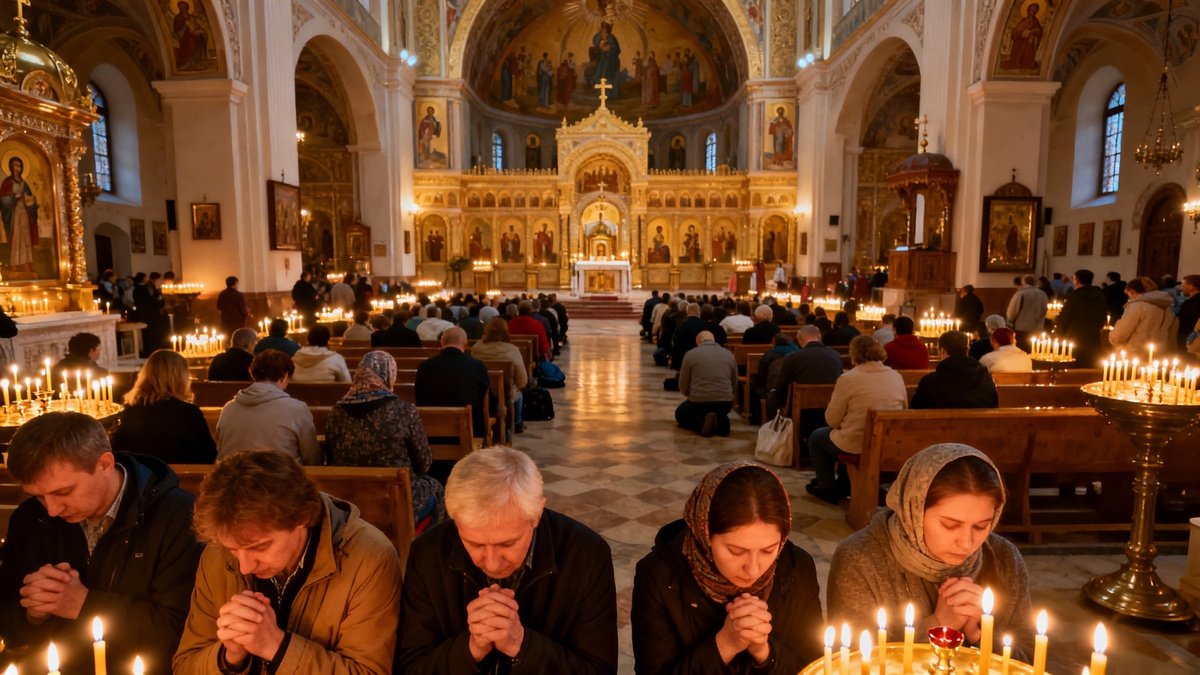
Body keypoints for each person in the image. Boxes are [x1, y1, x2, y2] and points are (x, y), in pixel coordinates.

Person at [0, 412, 203, 673]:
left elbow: (181, 631)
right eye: (39, 496)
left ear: (105, 464)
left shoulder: (178, 516)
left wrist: (83, 604)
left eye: (64, 492)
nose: (51, 509)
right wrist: (31, 614)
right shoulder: (30, 519)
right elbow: (6, 617)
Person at [173, 450, 402, 675]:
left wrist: (276, 646)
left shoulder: (370, 559)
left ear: (301, 517)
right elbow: (184, 666)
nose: (245, 567)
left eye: (260, 547)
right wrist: (229, 657)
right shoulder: (217, 554)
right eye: (233, 549)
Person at [396, 445, 618, 674]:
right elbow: (410, 667)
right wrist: (470, 650)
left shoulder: (586, 554)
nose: (491, 564)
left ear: (537, 514)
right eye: (474, 544)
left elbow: (599, 669)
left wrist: (521, 645)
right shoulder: (427, 554)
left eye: (508, 543)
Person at [827, 444, 1033, 653]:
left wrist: (982, 637)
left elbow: (1030, 656)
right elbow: (851, 662)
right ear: (914, 511)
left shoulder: (1004, 558)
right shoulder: (860, 559)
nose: (966, 543)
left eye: (981, 526)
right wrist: (938, 625)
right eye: (950, 525)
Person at [632, 463, 823, 672]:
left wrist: (764, 652)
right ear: (705, 533)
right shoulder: (659, 577)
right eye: (736, 551)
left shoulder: (797, 569)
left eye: (768, 551)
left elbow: (816, 666)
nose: (752, 569)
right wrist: (724, 645)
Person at [325, 351, 445, 528]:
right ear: (389, 375)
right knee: (436, 488)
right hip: (396, 499)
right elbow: (424, 463)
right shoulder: (403, 410)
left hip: (349, 500)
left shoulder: (336, 412)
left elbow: (330, 457)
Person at [806, 336, 908, 504]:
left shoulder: (848, 378)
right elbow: (904, 408)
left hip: (857, 443)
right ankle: (844, 485)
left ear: (854, 353)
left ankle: (828, 487)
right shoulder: (895, 376)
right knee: (842, 435)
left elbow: (832, 420)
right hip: (887, 442)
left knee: (817, 438)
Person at [215, 350, 321, 465]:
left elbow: (222, 452)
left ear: (253, 374)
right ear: (285, 376)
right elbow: (312, 457)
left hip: (236, 479)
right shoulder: (297, 409)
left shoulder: (229, 408)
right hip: (281, 479)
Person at [111, 349, 216, 463]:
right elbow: (208, 455)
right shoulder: (188, 413)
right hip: (179, 479)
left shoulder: (128, 410)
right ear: (181, 378)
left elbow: (117, 451)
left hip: (137, 478)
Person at [416, 327, 492, 438]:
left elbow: (419, 396)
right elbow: (484, 396)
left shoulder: (425, 366)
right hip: (469, 431)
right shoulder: (477, 365)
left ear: (442, 342)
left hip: (431, 433)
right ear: (465, 344)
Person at [766, 325, 843, 421]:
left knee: (772, 397)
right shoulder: (836, 355)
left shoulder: (793, 357)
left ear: (800, 341)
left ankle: (776, 432)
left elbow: (782, 385)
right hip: (829, 406)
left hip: (801, 410)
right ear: (820, 338)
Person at [470, 318, 530, 433]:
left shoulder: (476, 348)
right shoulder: (512, 350)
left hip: (481, 390)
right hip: (506, 392)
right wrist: (520, 385)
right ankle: (517, 423)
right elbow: (522, 380)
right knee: (519, 394)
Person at [910, 331, 998, 409]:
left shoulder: (930, 382)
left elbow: (915, 410)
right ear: (967, 351)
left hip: (939, 427)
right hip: (982, 427)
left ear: (943, 351)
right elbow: (994, 404)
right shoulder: (986, 378)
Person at [676, 331, 737, 437]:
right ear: (714, 340)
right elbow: (734, 381)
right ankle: (721, 423)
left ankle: (700, 423)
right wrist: (729, 395)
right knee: (720, 411)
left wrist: (689, 395)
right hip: (724, 402)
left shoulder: (691, 354)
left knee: (681, 415)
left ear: (698, 342)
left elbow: (683, 383)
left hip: (699, 401)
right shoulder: (728, 354)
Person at [1053, 269, 1108, 366]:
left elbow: (1065, 318)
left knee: (1073, 369)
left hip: (1074, 339)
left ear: (1077, 280)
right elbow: (1103, 317)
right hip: (1093, 338)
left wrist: (1058, 333)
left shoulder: (1074, 297)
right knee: (1089, 368)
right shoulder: (1100, 296)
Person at [1108, 276, 1178, 352]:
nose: (1130, 298)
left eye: (1130, 295)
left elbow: (1120, 334)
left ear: (1133, 292)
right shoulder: (1167, 307)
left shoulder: (1137, 306)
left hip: (1136, 352)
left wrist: (1112, 337)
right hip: (1160, 353)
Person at [750, 333, 799, 425]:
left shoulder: (768, 355)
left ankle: (757, 420)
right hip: (794, 389)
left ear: (774, 343)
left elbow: (762, 375)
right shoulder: (798, 352)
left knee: (755, 388)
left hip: (774, 389)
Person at [1006, 274, 1048, 349]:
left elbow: (1012, 311)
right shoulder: (1043, 294)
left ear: (1023, 283)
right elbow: (1044, 310)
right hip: (1037, 328)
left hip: (1021, 329)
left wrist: (1009, 321)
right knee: (1034, 350)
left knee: (1022, 350)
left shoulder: (1020, 294)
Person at [1177, 275, 1200, 354]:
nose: (1182, 287)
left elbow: (1186, 325)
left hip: (1190, 342)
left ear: (1192, 286)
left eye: (1184, 284)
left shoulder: (1192, 304)